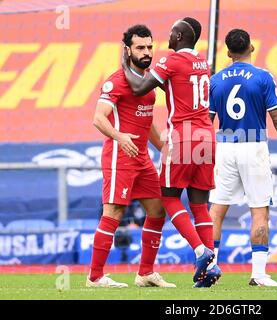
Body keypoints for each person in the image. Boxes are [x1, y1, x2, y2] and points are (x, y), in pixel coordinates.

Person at [122, 17, 220, 287]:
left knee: (168, 198)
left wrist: (124, 62)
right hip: (206, 135)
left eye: (171, 33)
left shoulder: (171, 60)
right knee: (200, 205)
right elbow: (179, 88)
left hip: (183, 135)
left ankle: (202, 252)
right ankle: (210, 268)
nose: (168, 37)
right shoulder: (203, 63)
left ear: (178, 37)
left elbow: (139, 86)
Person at [208, 29, 277, 286]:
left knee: (216, 211)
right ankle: (258, 274)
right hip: (254, 145)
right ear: (251, 47)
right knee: (259, 210)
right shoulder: (262, 78)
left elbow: (207, 122)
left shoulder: (215, 80)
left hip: (225, 146)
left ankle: (210, 271)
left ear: (228, 53)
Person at [87, 24, 175, 288]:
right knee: (113, 211)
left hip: (142, 158)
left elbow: (146, 121)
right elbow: (98, 118)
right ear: (128, 50)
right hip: (119, 156)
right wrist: (119, 136)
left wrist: (164, 149)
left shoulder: (147, 81)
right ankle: (95, 277)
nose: (147, 51)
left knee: (157, 209)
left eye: (149, 46)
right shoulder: (116, 81)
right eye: (140, 47)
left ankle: (145, 272)